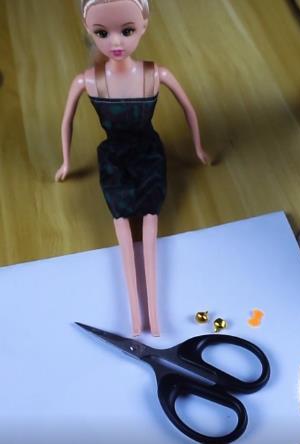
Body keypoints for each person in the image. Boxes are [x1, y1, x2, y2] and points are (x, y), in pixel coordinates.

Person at [55, 0, 209, 336]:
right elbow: (67, 121)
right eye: (102, 33)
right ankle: (136, 320)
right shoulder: (87, 81)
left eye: (127, 31)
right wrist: (66, 161)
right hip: (114, 156)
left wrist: (198, 149)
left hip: (148, 152)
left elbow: (189, 109)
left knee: (150, 221)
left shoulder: (156, 75)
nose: (116, 42)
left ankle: (154, 316)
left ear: (144, 25)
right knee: (123, 226)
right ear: (88, 30)